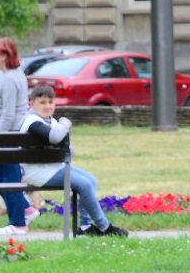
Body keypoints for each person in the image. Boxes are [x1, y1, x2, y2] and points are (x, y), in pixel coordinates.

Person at [21, 85, 126, 236]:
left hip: (52, 168)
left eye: (50, 102)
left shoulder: (50, 121)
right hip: (37, 172)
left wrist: (61, 132)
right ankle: (105, 227)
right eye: (42, 102)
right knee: (84, 184)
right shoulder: (32, 121)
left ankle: (85, 227)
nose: (47, 106)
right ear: (31, 103)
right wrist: (66, 123)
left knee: (91, 180)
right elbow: (56, 137)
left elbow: (69, 150)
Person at [0, 37, 35, 238]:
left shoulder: (9, 79)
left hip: (8, 137)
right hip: (12, 137)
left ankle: (18, 224)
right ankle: (26, 209)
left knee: (7, 179)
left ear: (3, 56)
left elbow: (7, 114)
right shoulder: (17, 75)